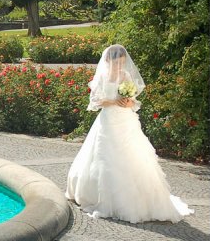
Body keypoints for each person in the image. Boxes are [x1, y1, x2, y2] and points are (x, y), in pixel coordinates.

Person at [66, 44, 194, 224]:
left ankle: (141, 199)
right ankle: (104, 198)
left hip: (126, 120)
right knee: (105, 158)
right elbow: (95, 101)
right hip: (108, 121)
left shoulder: (126, 76)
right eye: (116, 63)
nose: (119, 66)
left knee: (134, 156)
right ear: (109, 61)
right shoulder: (102, 76)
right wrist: (113, 101)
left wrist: (128, 103)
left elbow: (133, 101)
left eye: (122, 63)